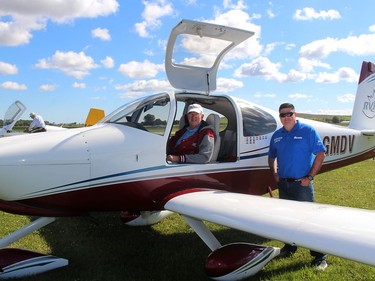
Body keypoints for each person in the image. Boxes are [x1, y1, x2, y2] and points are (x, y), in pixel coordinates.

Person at [268, 103, 327, 270]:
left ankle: (319, 256)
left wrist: (309, 177)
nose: (286, 117)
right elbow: (271, 157)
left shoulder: (307, 131)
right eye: (282, 115)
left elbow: (321, 154)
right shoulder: (277, 135)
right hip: (284, 184)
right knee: (288, 218)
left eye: (289, 114)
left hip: (302, 185)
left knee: (308, 220)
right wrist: (274, 174)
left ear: (295, 114)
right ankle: (290, 247)